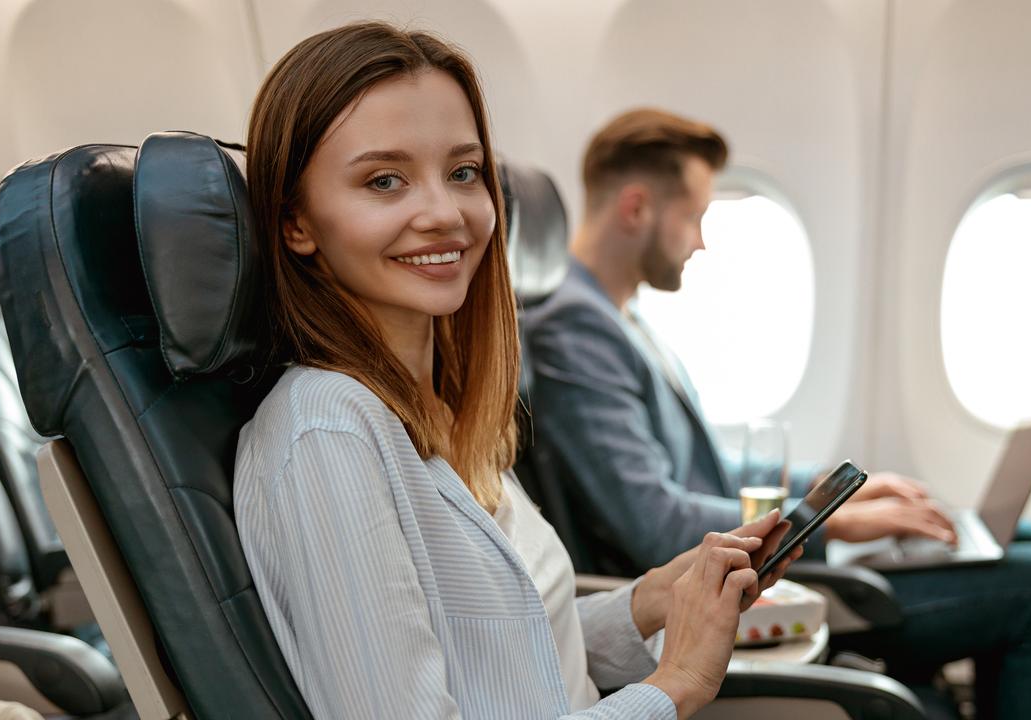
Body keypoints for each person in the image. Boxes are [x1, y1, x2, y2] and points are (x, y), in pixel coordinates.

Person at [234, 23, 803, 720]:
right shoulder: (328, 433)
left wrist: (648, 602)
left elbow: (508, 657)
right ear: (296, 222)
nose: (445, 214)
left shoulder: (436, 410)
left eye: (463, 172)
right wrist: (676, 683)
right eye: (385, 180)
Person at [524, 107, 1031, 720]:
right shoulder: (573, 326)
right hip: (706, 594)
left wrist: (837, 490)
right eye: (693, 216)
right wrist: (829, 525)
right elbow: (653, 522)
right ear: (636, 208)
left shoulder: (621, 318)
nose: (700, 239)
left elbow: (704, 466)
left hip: (733, 559)